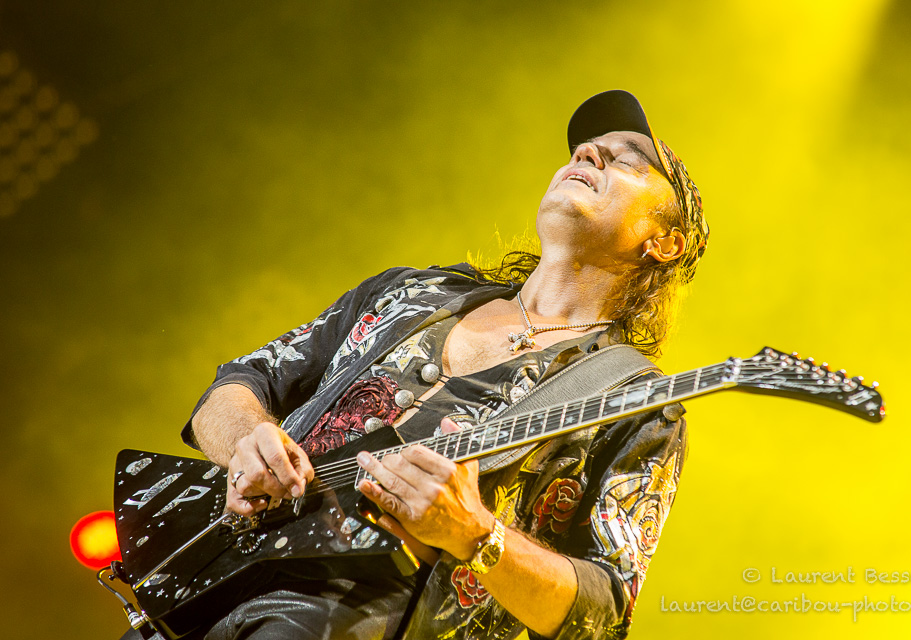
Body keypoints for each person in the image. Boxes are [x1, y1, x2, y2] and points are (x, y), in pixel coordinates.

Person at [180, 90, 708, 640]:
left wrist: (477, 534)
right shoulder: (410, 291)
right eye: (585, 148)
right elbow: (239, 383)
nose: (588, 153)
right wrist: (245, 444)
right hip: (209, 582)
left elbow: (604, 610)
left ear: (664, 242)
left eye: (627, 159)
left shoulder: (637, 403)